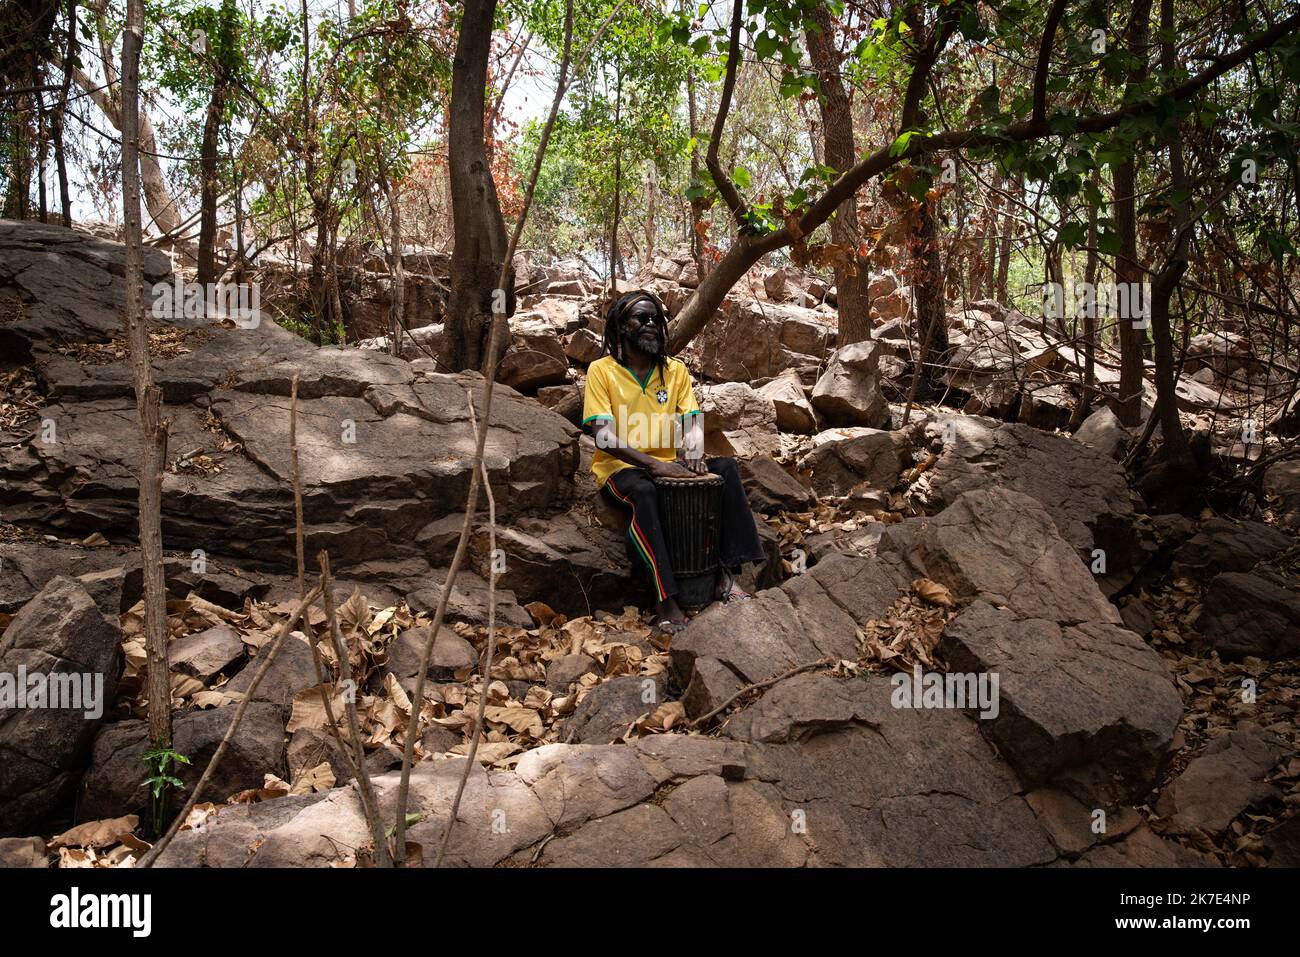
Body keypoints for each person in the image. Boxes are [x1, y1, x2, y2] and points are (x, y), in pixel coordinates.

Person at [581, 289, 767, 634]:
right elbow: (603, 436)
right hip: (621, 469)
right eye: (642, 318)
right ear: (622, 327)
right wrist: (654, 466)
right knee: (644, 493)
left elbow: (691, 422)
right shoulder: (601, 371)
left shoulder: (674, 371)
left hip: (668, 465)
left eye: (657, 318)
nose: (651, 324)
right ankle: (665, 599)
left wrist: (693, 452)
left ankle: (725, 575)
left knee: (725, 469)